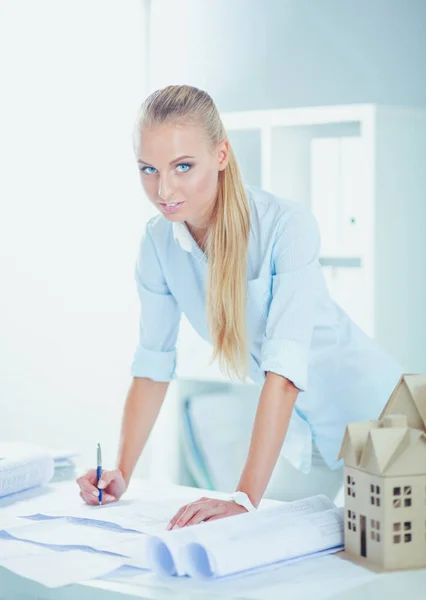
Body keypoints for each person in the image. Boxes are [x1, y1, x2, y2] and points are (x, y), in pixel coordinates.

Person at [76, 84, 402, 529]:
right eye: (148, 169)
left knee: (393, 577)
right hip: (307, 442)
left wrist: (244, 498)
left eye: (183, 166)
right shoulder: (157, 243)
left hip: (382, 423)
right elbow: (154, 364)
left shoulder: (287, 227)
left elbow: (284, 373)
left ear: (222, 155)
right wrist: (121, 473)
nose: (163, 188)